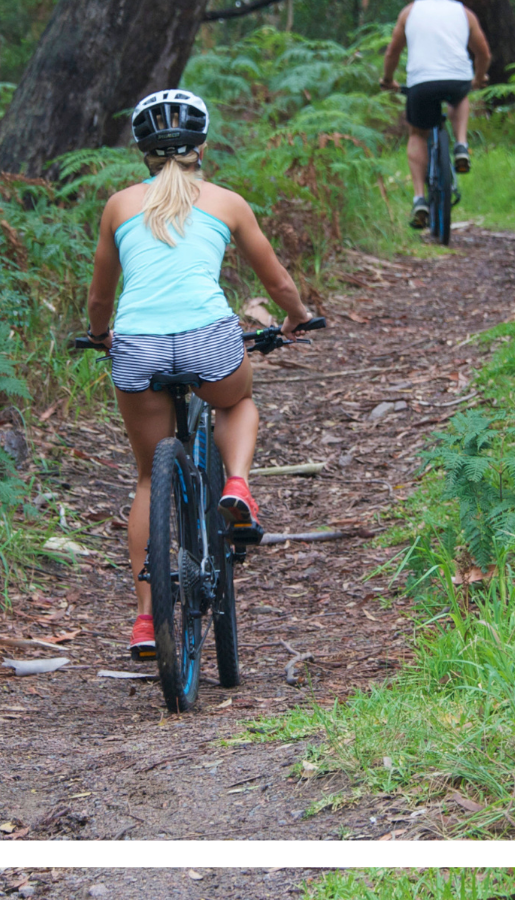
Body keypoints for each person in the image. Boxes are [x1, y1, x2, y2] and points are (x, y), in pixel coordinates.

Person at [84, 88, 315, 660]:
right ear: (202, 145)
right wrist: (297, 319)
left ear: (141, 151)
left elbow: (98, 297)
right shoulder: (226, 202)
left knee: (146, 478)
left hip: (135, 344)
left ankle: (144, 621)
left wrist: (98, 336)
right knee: (236, 403)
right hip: (208, 338)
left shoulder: (119, 206)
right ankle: (236, 485)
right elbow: (278, 281)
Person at [379, 0, 491, 230]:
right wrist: (478, 78)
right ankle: (461, 145)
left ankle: (419, 198)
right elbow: (483, 54)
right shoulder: (464, 13)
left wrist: (387, 80)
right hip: (456, 79)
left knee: (418, 134)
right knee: (460, 95)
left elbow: (392, 52)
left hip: (420, 83)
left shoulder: (410, 11)